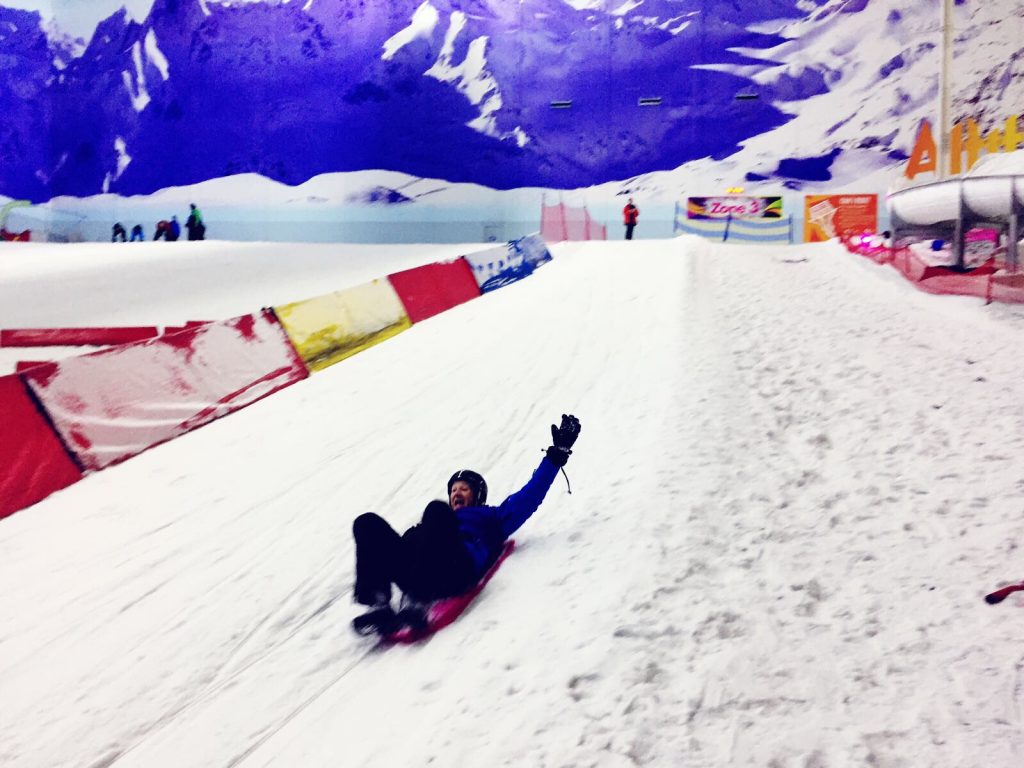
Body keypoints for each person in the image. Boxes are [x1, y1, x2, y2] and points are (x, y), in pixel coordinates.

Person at [351, 413, 582, 635]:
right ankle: (378, 604)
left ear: (477, 495)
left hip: (456, 570)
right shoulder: (437, 522)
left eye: (464, 489)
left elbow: (528, 497)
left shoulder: (490, 516)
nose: (456, 493)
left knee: (435, 509)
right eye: (453, 490)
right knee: (367, 523)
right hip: (417, 569)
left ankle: (418, 599)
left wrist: (556, 456)